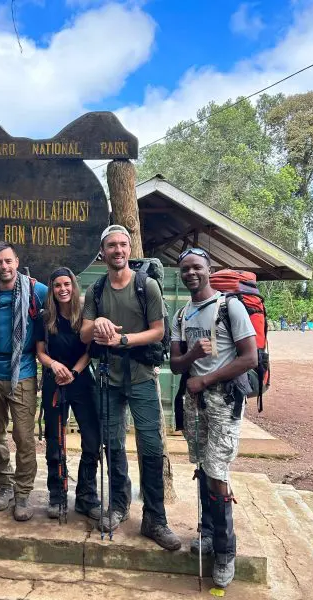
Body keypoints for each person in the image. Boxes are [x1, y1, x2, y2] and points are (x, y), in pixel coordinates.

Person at [80, 224, 181, 551]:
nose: (118, 250)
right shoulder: (96, 291)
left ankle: (155, 517)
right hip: (108, 379)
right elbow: (83, 333)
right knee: (112, 443)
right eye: (112, 245)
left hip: (142, 377)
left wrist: (123, 340)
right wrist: (96, 323)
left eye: (123, 245)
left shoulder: (146, 286)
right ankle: (119, 505)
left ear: (128, 249)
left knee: (150, 445)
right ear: (103, 252)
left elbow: (157, 331)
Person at [169, 248, 257, 589]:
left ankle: (225, 551)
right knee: (203, 467)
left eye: (197, 268)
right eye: (185, 269)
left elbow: (248, 357)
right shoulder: (182, 315)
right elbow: (176, 363)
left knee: (218, 472)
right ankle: (206, 531)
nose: (191, 273)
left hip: (223, 400)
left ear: (209, 269)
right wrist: (193, 356)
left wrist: (205, 379)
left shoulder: (229, 307)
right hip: (194, 402)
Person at [0, 241, 47, 521]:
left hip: (24, 373)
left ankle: (23, 492)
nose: (4, 267)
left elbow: (66, 303)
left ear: (17, 261)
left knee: (24, 438)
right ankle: (4, 485)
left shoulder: (36, 291)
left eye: (8, 261)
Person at [35, 267, 101, 519]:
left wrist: (73, 372)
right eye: (57, 285)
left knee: (93, 439)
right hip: (54, 381)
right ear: (51, 289)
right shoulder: (44, 317)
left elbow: (89, 350)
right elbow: (40, 351)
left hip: (82, 380)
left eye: (67, 284)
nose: (63, 289)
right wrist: (54, 366)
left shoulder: (85, 314)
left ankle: (86, 495)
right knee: (55, 440)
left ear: (74, 286)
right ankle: (57, 493)